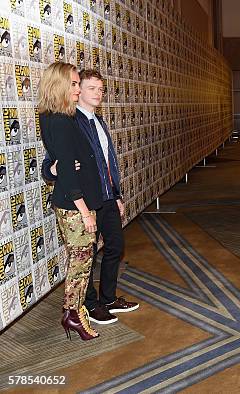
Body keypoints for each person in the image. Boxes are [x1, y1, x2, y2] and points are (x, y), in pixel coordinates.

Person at [42, 69, 139, 325]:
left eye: (101, 89)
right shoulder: (69, 121)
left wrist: (116, 194)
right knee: (86, 255)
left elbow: (108, 163)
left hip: (106, 197)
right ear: (78, 91)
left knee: (114, 248)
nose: (98, 93)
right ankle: (90, 304)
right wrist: (52, 170)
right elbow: (52, 162)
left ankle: (108, 299)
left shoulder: (98, 121)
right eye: (91, 88)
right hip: (85, 200)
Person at [38, 62, 102, 341]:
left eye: (78, 84)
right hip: (73, 204)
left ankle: (73, 311)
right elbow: (65, 169)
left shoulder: (56, 116)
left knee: (82, 258)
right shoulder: (62, 121)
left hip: (70, 201)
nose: (77, 90)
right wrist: (86, 212)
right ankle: (73, 314)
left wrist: (52, 168)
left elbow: (58, 163)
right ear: (59, 85)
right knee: (81, 261)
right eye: (74, 84)